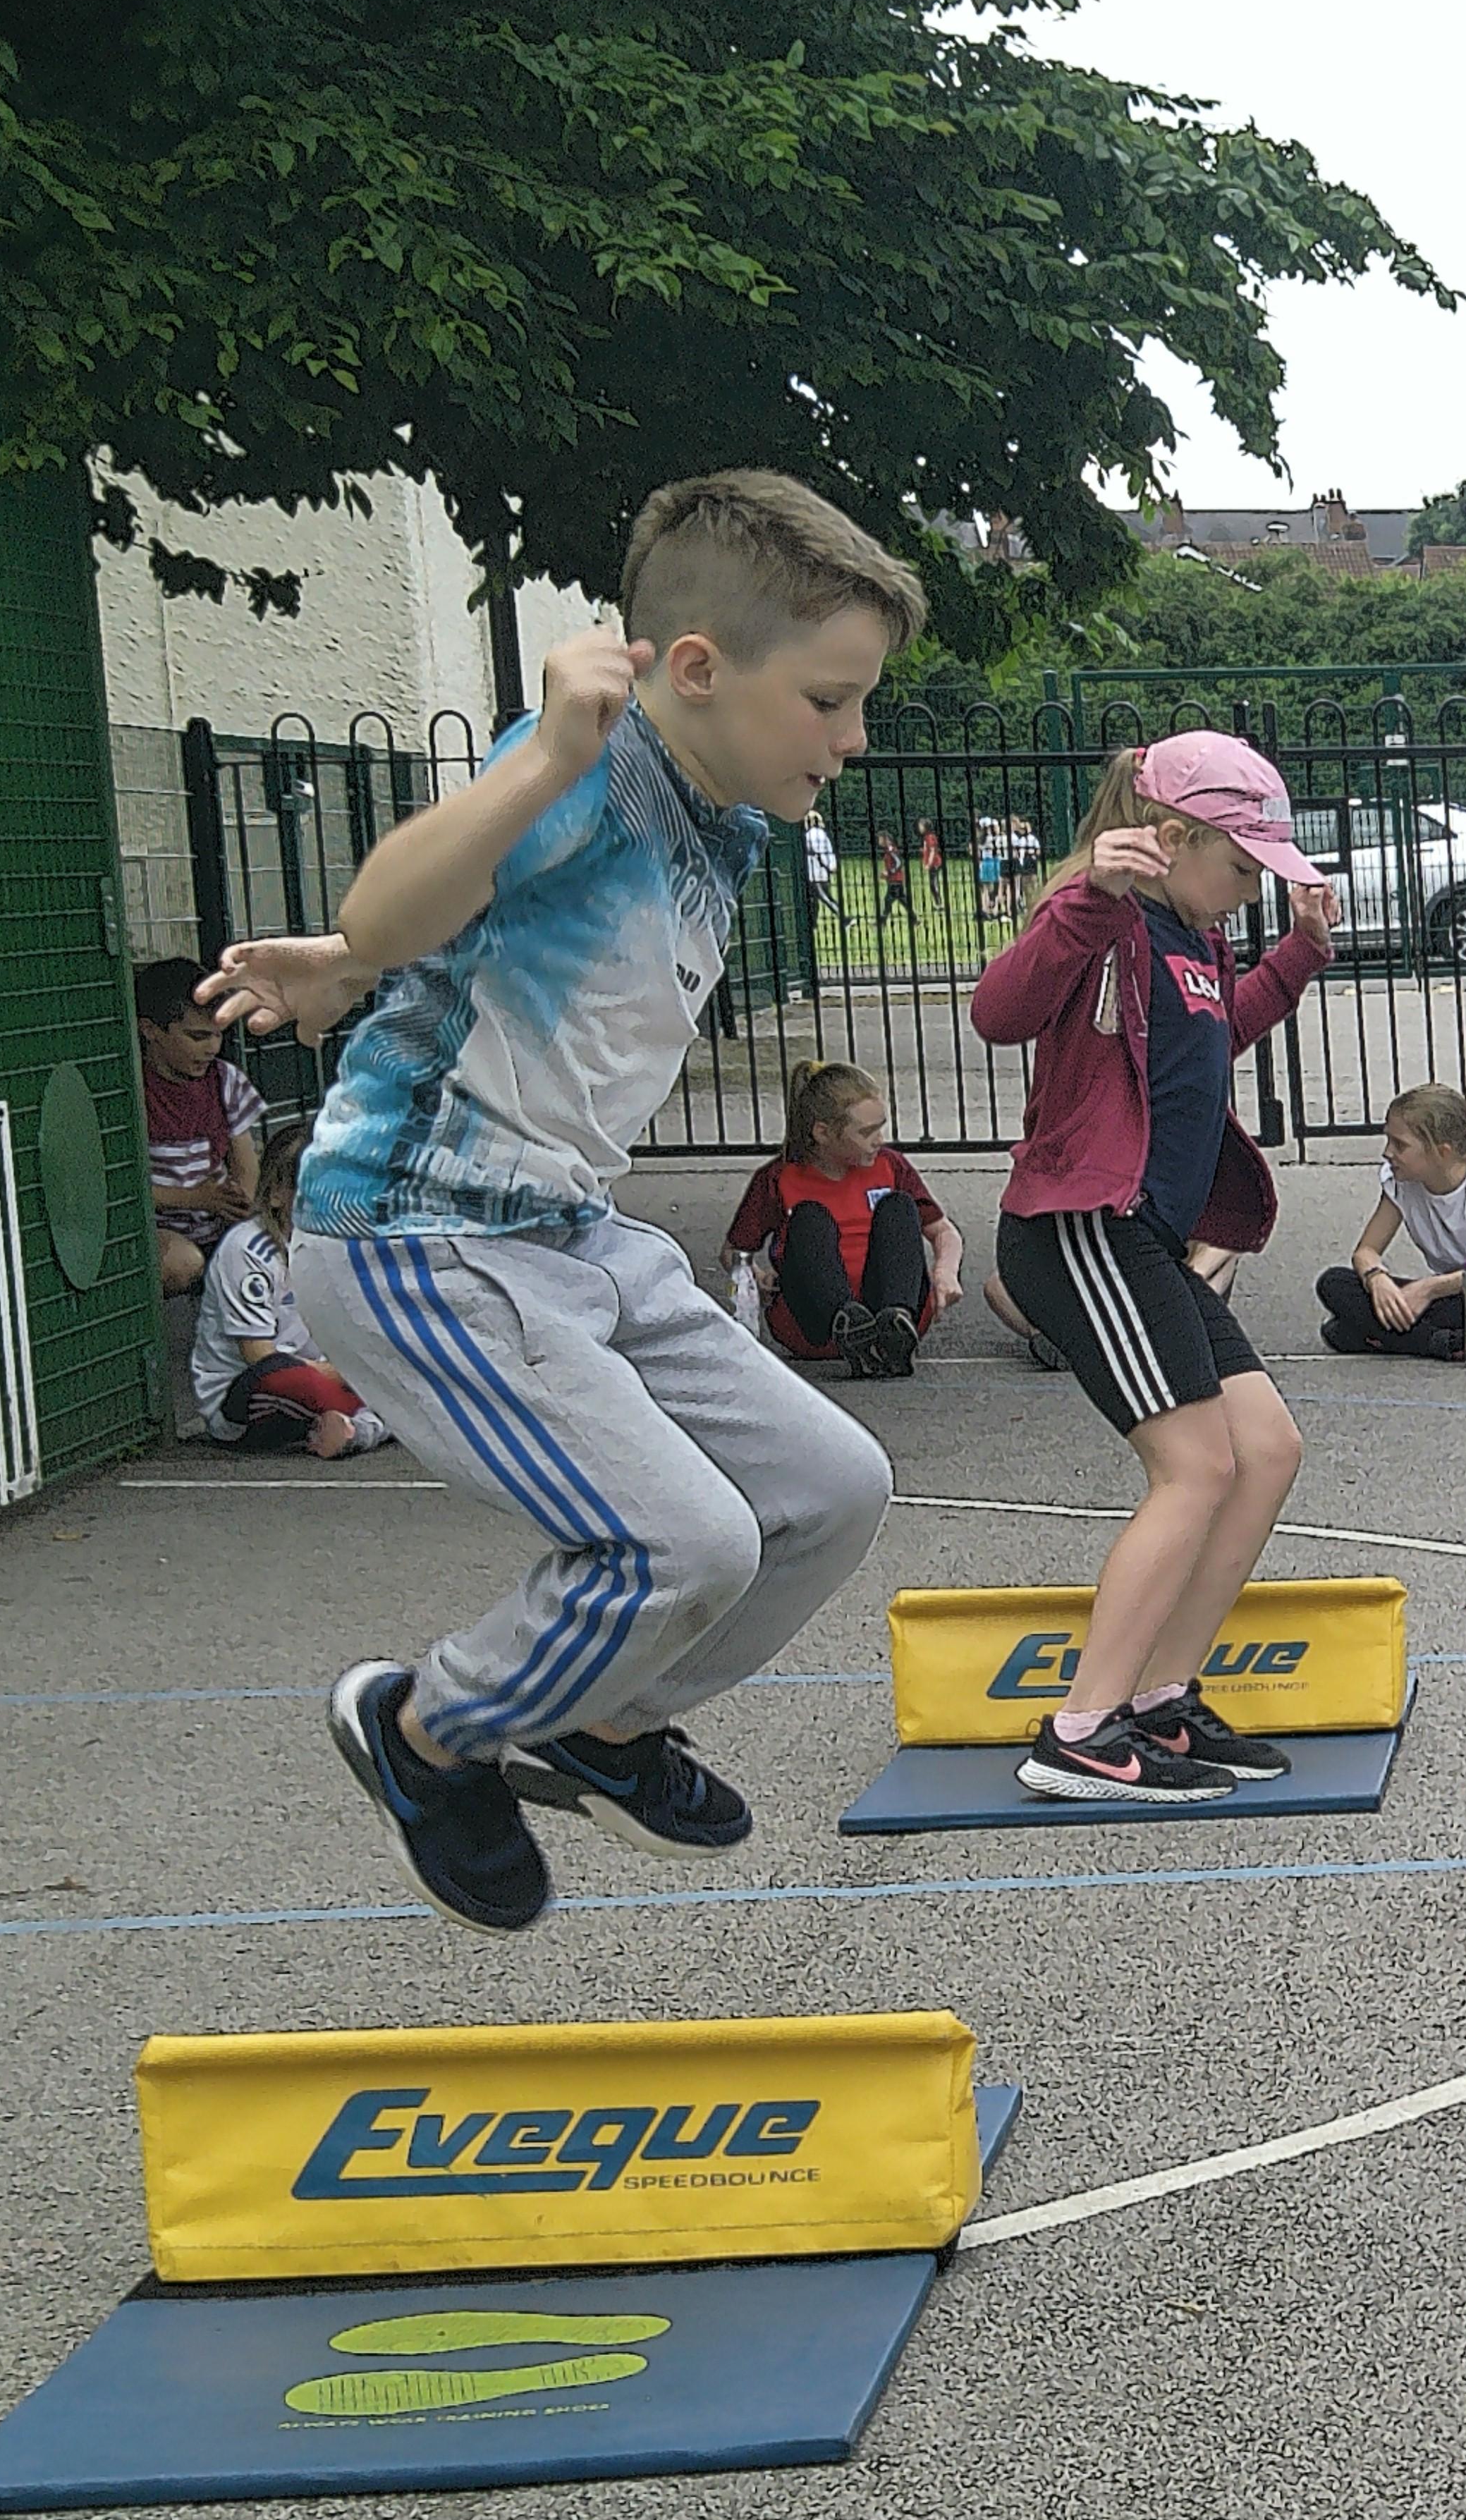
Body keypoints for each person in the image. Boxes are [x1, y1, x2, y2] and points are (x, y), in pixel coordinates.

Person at [202, 471, 920, 1931]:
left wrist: (351, 974)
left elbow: (465, 936)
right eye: (829, 702)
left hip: (569, 1231)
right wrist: (504, 797)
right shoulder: (583, 766)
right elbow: (401, 897)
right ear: (697, 670)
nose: (852, 739)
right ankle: (426, 1730)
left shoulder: (725, 814)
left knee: (831, 1487)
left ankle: (600, 1723)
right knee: (682, 1542)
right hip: (421, 1237)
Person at [971, 734, 1342, 1801]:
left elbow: (1211, 1039)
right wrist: (1089, 897)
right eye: (1241, 866)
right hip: (1082, 1227)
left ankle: (1160, 1699)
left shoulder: (1190, 935)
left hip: (1146, 1239)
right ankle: (1082, 1730)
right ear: (1172, 838)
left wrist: (1300, 955)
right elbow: (999, 1013)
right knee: (1195, 1466)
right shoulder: (1104, 916)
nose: (1251, 890)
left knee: (1265, 1450)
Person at [722, 1060, 959, 1376]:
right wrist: (757, 1278)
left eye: (880, 1127)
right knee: (809, 1217)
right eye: (867, 1132)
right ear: (823, 1133)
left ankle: (894, 1325)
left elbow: (943, 1232)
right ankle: (848, 1324)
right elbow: (735, 1252)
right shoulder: (778, 1178)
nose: (879, 1140)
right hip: (815, 1322)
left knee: (899, 1206)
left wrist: (945, 1272)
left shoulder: (891, 1166)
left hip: (886, 1300)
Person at [1317, 1081, 1466, 1359]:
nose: (1388, 1153)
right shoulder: (1401, 1184)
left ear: (1442, 1152)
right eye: (1389, 1140)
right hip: (1448, 1301)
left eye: (1400, 1145)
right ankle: (1440, 1342)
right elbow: (1366, 1251)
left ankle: (1394, 1336)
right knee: (1333, 1282)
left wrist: (1428, 1289)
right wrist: (1377, 1280)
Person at [186, 1163, 389, 1459]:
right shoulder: (247, 1248)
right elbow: (259, 1356)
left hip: (326, 1373)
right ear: (277, 1195)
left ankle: (357, 1428)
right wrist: (353, 1374)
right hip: (248, 1395)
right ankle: (378, 1421)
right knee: (291, 1379)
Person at [133, 957, 264, 1299]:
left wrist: (240, 1206)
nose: (212, 1048)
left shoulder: (226, 1080)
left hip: (219, 1224)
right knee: (181, 1263)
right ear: (150, 1031)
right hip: (160, 1233)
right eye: (197, 1036)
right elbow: (126, 1190)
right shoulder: (133, 1091)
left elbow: (246, 1166)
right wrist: (197, 1199)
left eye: (218, 1035)